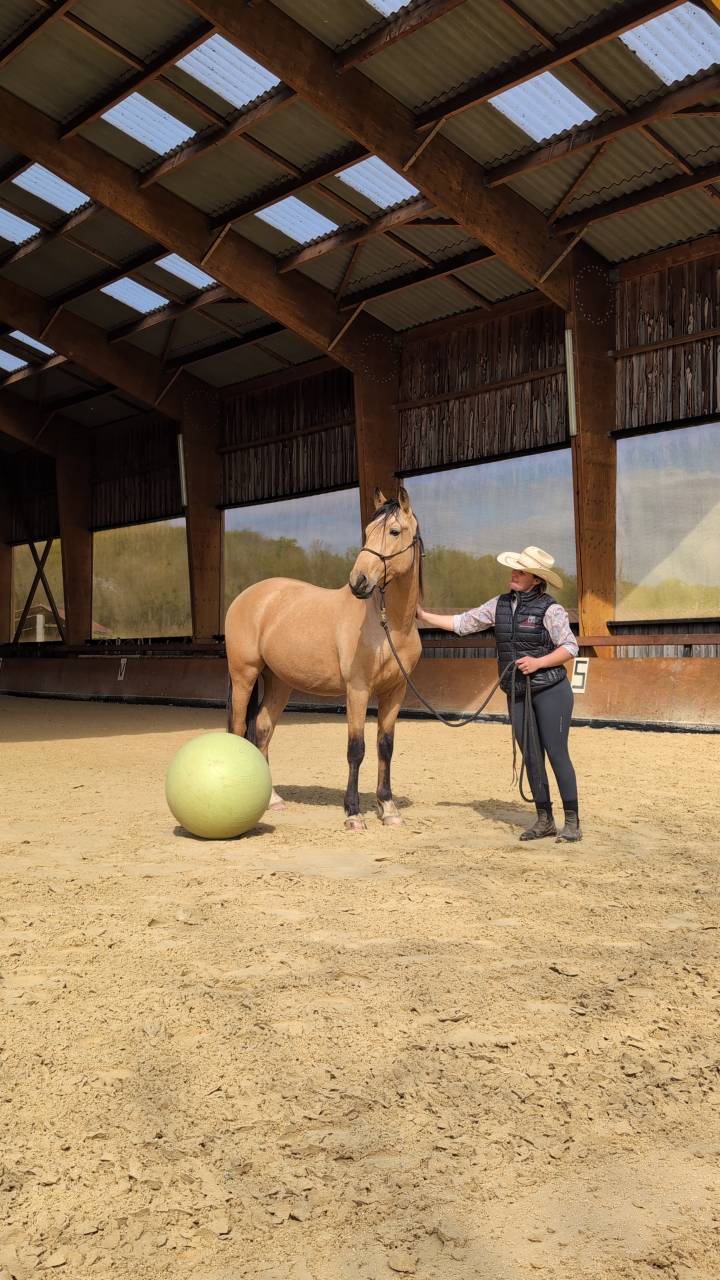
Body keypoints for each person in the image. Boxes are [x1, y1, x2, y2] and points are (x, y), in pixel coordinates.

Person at [416, 546, 581, 843]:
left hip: (551, 690)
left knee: (556, 754)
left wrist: (538, 662)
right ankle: (545, 820)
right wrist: (422, 615)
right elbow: (463, 623)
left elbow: (570, 647)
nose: (514, 574)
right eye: (515, 569)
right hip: (516, 691)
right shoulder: (499, 605)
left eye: (521, 571)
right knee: (530, 755)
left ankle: (572, 822)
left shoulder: (551, 609)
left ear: (536, 579)